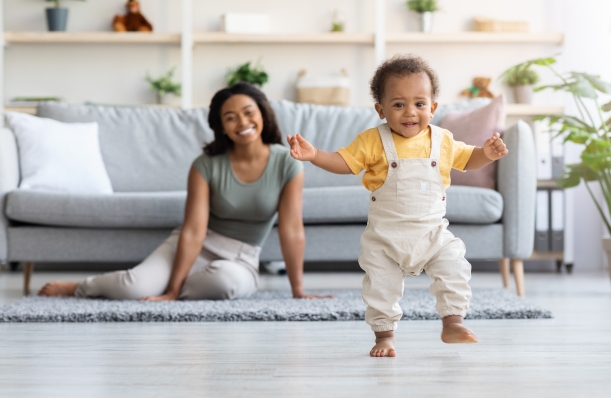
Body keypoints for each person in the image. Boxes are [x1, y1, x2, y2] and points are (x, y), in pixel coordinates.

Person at [287, 55, 508, 357]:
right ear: (381, 109)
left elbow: (469, 159)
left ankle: (452, 321)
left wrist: (488, 154)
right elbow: (345, 163)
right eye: (398, 104)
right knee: (380, 289)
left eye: (419, 104)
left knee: (455, 266)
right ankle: (384, 336)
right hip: (385, 240)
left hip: (432, 235)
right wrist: (316, 155)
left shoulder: (442, 140)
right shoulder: (373, 141)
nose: (410, 113)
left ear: (433, 108)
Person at [39, 83, 330, 301]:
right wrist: (174, 289)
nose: (242, 123)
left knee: (224, 283)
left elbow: (292, 229)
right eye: (230, 117)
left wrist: (298, 290)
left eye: (248, 113)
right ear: (222, 127)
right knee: (134, 288)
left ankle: (170, 286)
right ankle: (80, 287)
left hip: (240, 258)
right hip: (195, 244)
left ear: (263, 114)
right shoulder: (205, 165)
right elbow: (193, 230)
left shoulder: (287, 161)